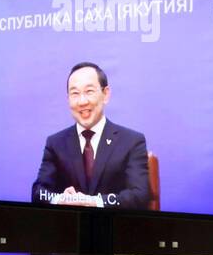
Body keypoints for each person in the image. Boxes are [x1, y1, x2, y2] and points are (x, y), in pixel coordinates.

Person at [31, 62, 150, 210]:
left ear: (105, 94)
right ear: (68, 99)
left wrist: (94, 202)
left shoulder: (131, 141)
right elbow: (38, 193)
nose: (82, 101)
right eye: (75, 93)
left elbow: (140, 195)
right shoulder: (55, 143)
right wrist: (60, 198)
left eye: (89, 91)